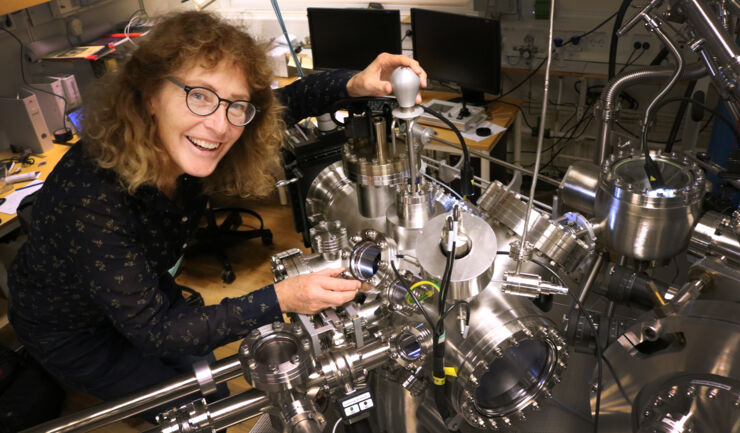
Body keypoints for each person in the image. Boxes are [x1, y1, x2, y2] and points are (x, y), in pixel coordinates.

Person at [7, 10, 426, 421]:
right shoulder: (92, 196)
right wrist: (281, 298)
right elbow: (157, 329)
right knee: (190, 409)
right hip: (71, 328)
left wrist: (354, 83)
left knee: (212, 381)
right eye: (199, 95)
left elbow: (286, 103)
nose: (220, 126)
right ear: (148, 95)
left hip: (143, 288)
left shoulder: (191, 144)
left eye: (236, 105)